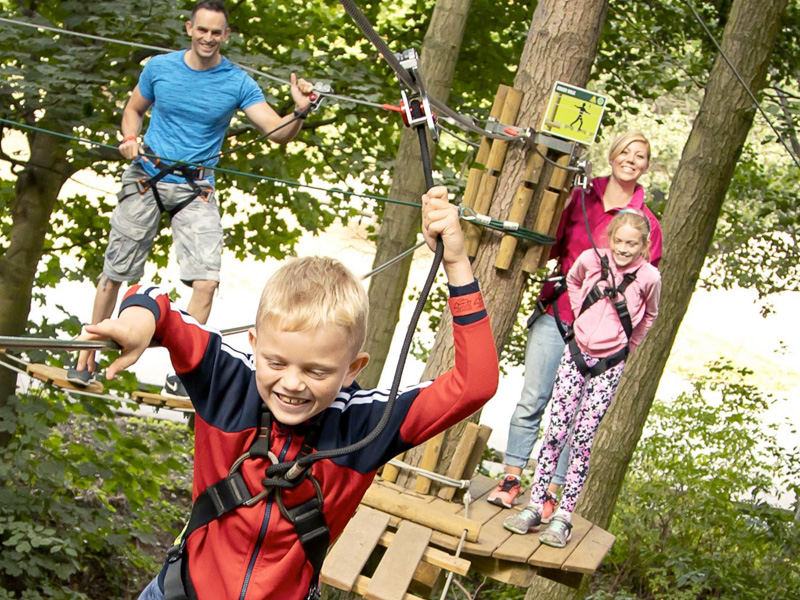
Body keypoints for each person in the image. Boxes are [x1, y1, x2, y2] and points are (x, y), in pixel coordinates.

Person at [75, 186, 499, 600]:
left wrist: (455, 261)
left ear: (352, 369)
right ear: (254, 344)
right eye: (276, 363)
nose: (292, 383)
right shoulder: (228, 381)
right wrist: (136, 323)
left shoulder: (367, 425)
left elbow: (475, 383)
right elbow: (153, 298)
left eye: (316, 371)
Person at [67, 0, 315, 398]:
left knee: (207, 282)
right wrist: (129, 137)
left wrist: (300, 112)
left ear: (226, 35)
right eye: (202, 30)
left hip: (195, 187)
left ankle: (184, 373)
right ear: (189, 29)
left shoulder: (237, 82)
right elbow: (133, 110)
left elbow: (277, 132)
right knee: (115, 272)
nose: (208, 38)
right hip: (147, 176)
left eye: (216, 32)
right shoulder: (160, 68)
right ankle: (87, 356)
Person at [487, 131, 663, 516]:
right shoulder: (581, 197)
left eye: (640, 156)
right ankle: (512, 478)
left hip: (605, 336)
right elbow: (551, 245)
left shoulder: (645, 222)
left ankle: (550, 493)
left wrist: (627, 343)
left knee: (577, 417)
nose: (631, 160)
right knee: (534, 397)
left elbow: (644, 288)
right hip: (560, 313)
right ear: (612, 156)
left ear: (646, 166)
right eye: (625, 152)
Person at [503, 209, 661, 547]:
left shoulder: (649, 277)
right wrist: (579, 318)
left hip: (609, 363)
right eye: (619, 241)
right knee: (555, 432)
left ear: (643, 245)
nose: (623, 249)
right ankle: (535, 505)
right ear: (610, 238)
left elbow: (650, 314)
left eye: (632, 244)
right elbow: (572, 282)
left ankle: (563, 516)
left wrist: (629, 344)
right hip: (576, 354)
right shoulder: (591, 259)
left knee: (582, 438)